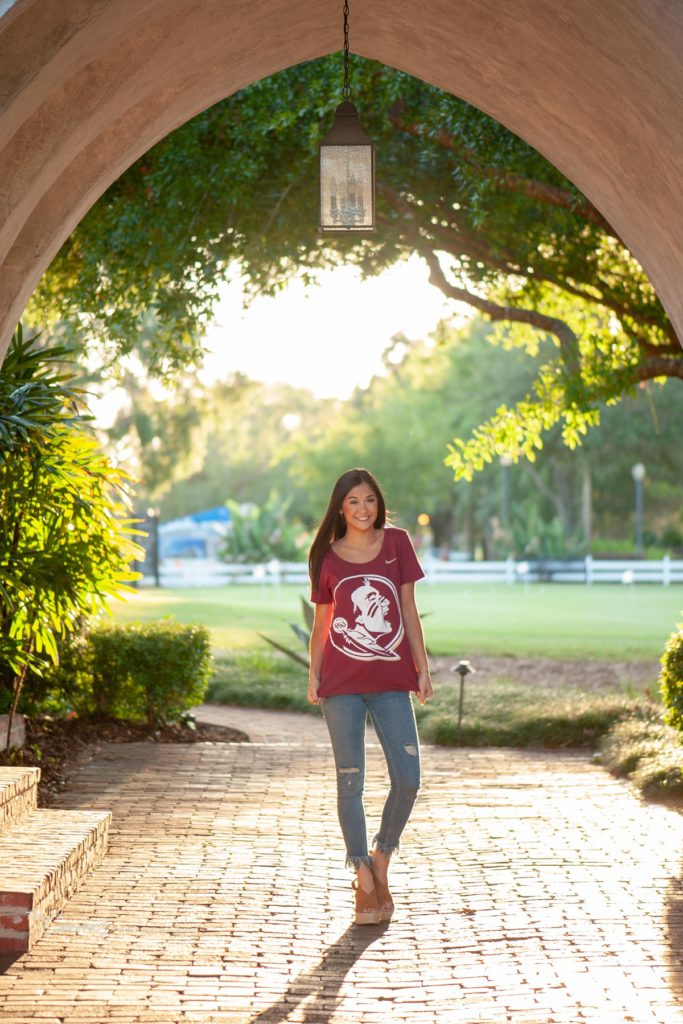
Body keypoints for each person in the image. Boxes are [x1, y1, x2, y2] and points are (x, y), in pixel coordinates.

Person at [307, 467, 433, 925]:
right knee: (350, 780)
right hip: (340, 686)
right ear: (340, 508)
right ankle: (361, 875)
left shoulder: (397, 543)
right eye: (354, 502)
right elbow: (322, 626)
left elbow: (407, 610)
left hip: (391, 684)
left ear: (379, 504)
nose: (364, 509)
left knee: (408, 777)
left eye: (370, 500)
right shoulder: (328, 556)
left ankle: (382, 855)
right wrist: (314, 676)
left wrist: (422, 668)